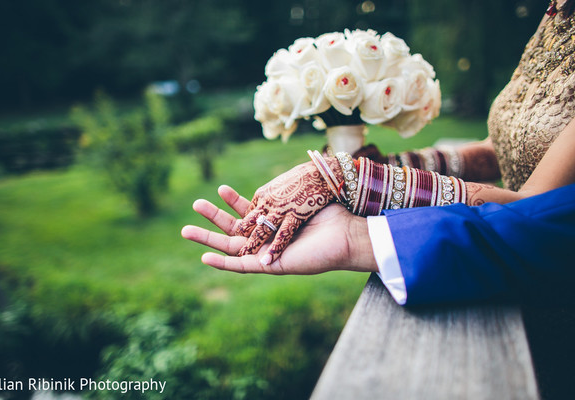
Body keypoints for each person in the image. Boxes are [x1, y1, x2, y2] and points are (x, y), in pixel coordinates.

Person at [182, 0, 575, 306]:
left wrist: (345, 178)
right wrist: (385, 169)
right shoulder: (555, 14)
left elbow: (533, 214)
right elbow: (498, 152)